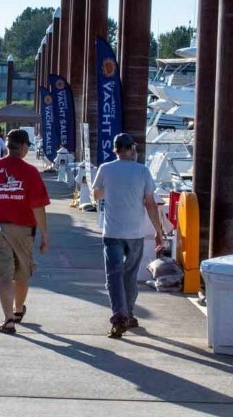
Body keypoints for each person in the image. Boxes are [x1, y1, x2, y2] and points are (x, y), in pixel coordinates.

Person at [0, 129, 50, 334]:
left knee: (3, 276)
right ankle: (17, 310)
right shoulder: (31, 172)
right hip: (23, 230)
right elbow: (38, 207)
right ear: (24, 147)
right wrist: (45, 234)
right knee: (22, 272)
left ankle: (8, 320)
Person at [91, 133, 165, 338]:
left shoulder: (105, 169)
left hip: (112, 232)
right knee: (130, 276)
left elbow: (96, 195)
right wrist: (159, 232)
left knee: (113, 277)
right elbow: (150, 204)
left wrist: (111, 191)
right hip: (135, 234)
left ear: (115, 150)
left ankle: (119, 317)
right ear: (131, 148)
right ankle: (129, 314)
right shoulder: (143, 171)